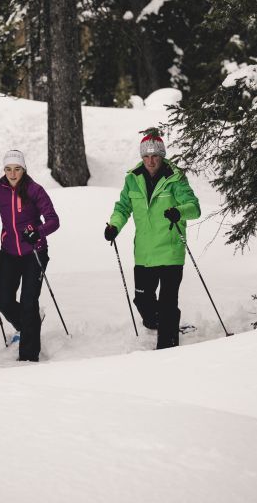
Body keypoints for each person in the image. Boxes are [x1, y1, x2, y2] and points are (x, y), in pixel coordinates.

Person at [105, 127, 200, 349]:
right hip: (144, 254)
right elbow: (123, 207)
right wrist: (114, 226)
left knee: (168, 304)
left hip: (170, 251)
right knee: (142, 300)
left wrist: (179, 212)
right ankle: (160, 323)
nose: (150, 161)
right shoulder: (132, 179)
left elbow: (194, 207)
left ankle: (167, 349)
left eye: (155, 155)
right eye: (146, 156)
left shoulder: (175, 178)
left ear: (162, 156)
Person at [0, 149, 59, 362]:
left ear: (24, 169)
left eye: (17, 169)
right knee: (2, 300)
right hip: (9, 254)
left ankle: (28, 359)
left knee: (28, 301)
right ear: (4, 170)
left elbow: (53, 220)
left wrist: (37, 232)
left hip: (34, 253)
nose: (12, 174)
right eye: (8, 169)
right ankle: (29, 324)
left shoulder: (34, 190)